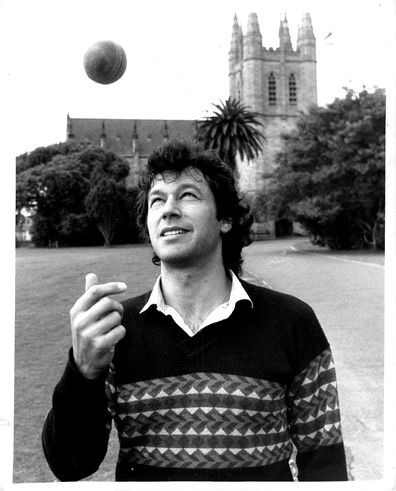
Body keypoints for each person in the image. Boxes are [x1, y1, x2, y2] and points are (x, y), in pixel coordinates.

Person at [42, 139, 348, 482]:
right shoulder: (115, 330)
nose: (168, 209)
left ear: (226, 219)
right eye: (157, 200)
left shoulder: (292, 322)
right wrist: (82, 372)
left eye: (187, 195)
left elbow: (325, 464)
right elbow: (70, 465)